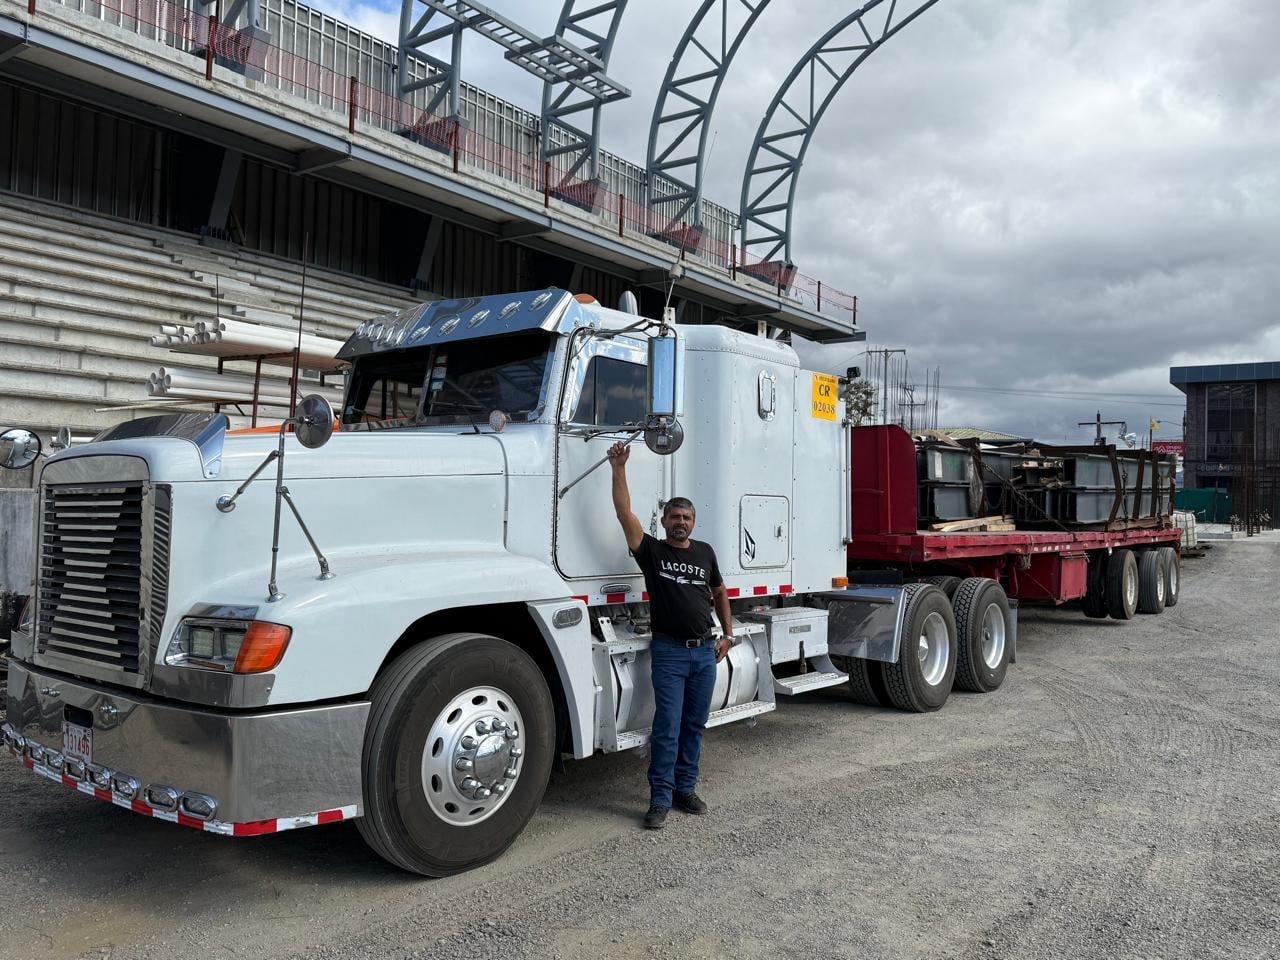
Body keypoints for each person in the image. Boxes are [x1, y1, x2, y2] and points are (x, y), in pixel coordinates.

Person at [607, 440, 734, 830]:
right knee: (667, 727)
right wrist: (619, 469)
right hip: (669, 652)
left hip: (705, 653)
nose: (681, 521)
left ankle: (685, 790)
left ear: (693, 523)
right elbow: (624, 513)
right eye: (674, 516)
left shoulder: (705, 552)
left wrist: (728, 635)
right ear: (663, 522)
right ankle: (660, 799)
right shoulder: (652, 552)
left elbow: (719, 592)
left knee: (694, 725)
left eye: (687, 517)